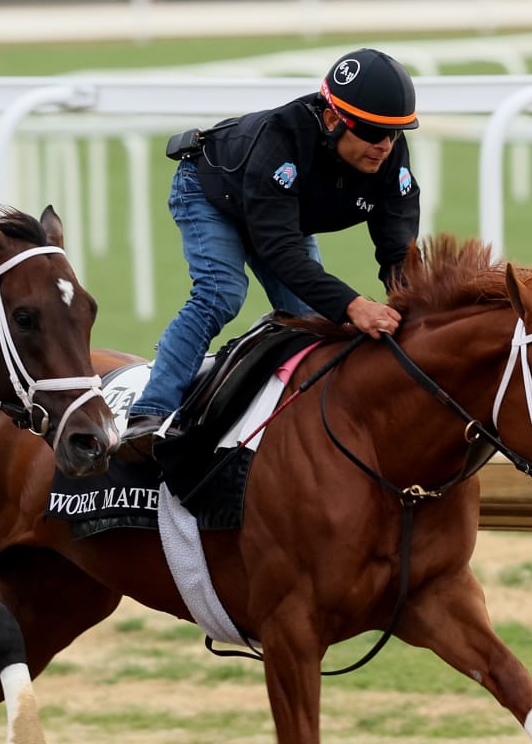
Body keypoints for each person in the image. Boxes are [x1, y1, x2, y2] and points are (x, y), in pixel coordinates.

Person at [118, 47, 422, 459]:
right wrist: (353, 305)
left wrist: (418, 309)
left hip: (278, 214)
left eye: (395, 133)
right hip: (211, 193)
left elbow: (397, 248)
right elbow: (279, 251)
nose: (384, 145)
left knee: (312, 323)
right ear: (333, 119)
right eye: (371, 132)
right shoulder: (280, 138)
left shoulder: (387, 153)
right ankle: (150, 413)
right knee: (220, 293)